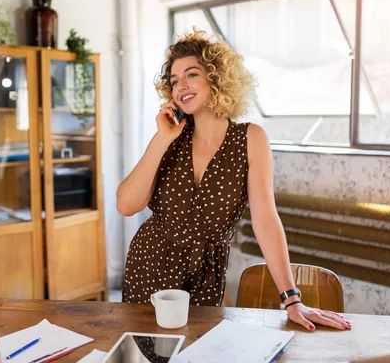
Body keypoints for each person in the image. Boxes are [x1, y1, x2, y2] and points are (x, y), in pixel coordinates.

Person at [116, 29, 350, 331]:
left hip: (206, 276)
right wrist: (161, 139)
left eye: (191, 75)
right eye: (174, 81)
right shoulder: (168, 137)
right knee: (145, 350)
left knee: (196, 351)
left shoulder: (250, 139)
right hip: (150, 265)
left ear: (216, 78)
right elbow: (126, 204)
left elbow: (266, 220)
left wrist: (292, 299)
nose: (181, 86)